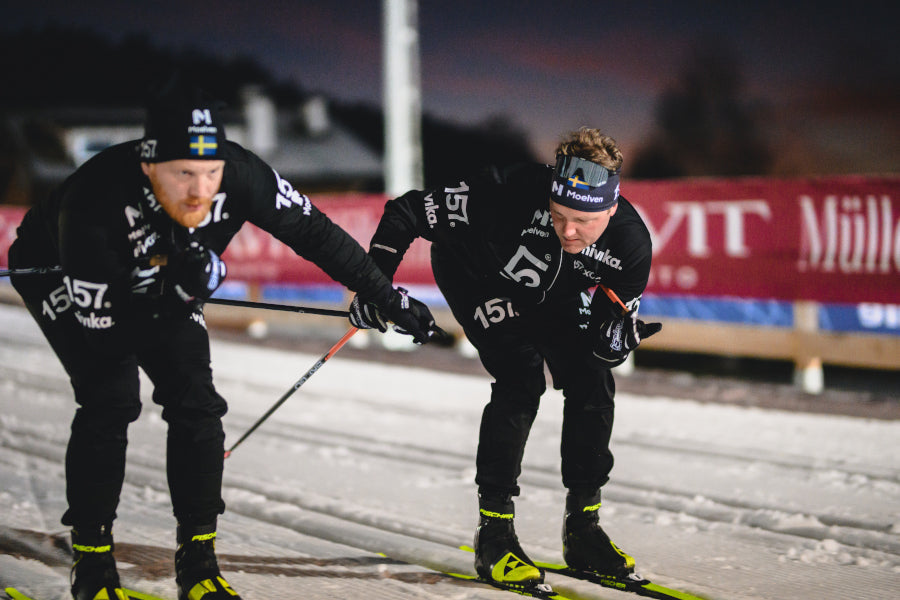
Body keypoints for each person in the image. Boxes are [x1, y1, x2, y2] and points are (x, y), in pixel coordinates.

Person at [7, 78, 441, 600]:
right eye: (183, 174)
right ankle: (94, 563)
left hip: (163, 275)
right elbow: (110, 340)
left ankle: (199, 561)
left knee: (197, 403)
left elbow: (317, 235)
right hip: (55, 266)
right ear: (148, 167)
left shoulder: (243, 175)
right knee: (110, 397)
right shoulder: (95, 201)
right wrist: (180, 294)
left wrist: (388, 298)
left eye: (210, 173)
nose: (199, 190)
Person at [349, 128, 662, 588]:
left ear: (612, 209)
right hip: (475, 276)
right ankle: (495, 534)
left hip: (551, 293)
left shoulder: (631, 246)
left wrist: (609, 345)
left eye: (584, 221)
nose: (569, 231)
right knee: (521, 379)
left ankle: (584, 530)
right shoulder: (506, 191)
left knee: (592, 379)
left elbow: (600, 335)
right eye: (558, 216)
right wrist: (376, 288)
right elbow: (407, 211)